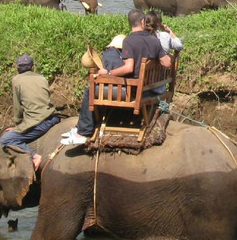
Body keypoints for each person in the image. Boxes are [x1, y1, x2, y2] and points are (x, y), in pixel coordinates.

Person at [62, 9, 173, 146]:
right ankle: (80, 128)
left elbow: (128, 68)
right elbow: (167, 63)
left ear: (131, 24)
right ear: (143, 22)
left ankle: (83, 132)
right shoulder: (154, 41)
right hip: (148, 89)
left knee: (90, 90)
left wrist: (108, 74)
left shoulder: (129, 41)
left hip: (132, 91)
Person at [0, 54, 60, 170]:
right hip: (53, 117)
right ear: (32, 67)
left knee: (5, 139)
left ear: (18, 69)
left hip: (39, 123)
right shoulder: (42, 78)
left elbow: (18, 106)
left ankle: (34, 156)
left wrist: (18, 125)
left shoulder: (16, 80)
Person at [65, 35, 126, 146]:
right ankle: (80, 126)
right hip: (127, 88)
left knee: (90, 90)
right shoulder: (126, 55)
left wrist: (102, 74)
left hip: (118, 89)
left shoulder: (110, 53)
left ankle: (84, 130)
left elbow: (111, 75)